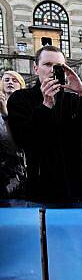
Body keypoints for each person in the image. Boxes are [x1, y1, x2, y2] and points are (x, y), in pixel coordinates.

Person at [6, 45, 82, 207]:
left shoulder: (73, 100)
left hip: (77, 192)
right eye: (47, 64)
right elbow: (22, 139)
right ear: (36, 68)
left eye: (58, 66)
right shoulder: (20, 98)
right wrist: (45, 106)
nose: (52, 70)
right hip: (41, 194)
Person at [0, 72, 27, 204]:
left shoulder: (25, 108)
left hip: (18, 171)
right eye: (6, 80)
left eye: (15, 80)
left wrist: (6, 114)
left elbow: (16, 143)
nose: (10, 82)